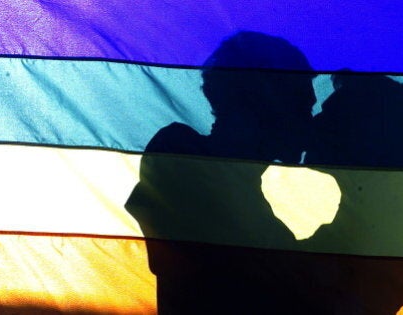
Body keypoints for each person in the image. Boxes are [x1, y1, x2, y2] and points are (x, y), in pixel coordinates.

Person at [126, 31, 324, 314]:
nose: (311, 121)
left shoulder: (245, 190)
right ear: (265, 104)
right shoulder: (181, 153)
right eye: (303, 106)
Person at [302, 73, 403, 314]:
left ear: (366, 136)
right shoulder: (378, 210)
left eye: (334, 118)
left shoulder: (399, 219)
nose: (316, 123)